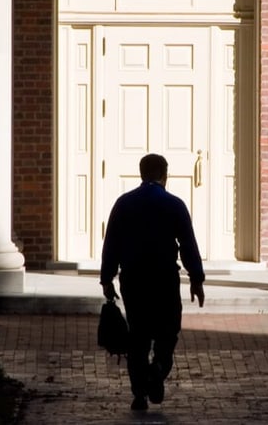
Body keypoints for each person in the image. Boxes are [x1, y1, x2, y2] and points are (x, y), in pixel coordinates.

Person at [100, 153, 205, 412]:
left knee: (138, 337)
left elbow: (111, 244)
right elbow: (188, 245)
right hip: (164, 278)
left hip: (133, 279)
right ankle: (158, 368)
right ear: (164, 175)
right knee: (167, 333)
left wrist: (106, 278)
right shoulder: (174, 204)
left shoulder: (123, 204)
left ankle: (139, 394)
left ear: (141, 173)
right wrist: (196, 279)